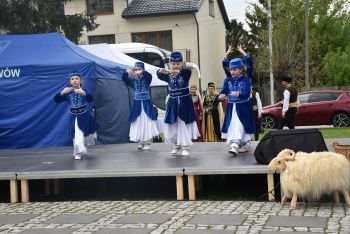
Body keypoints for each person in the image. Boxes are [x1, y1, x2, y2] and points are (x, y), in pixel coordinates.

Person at [157, 52, 200, 156]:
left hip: (184, 102)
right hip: (173, 103)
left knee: (183, 123)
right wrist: (160, 70)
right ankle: (176, 144)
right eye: (173, 64)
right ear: (170, 64)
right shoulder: (168, 75)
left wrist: (178, 72)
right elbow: (159, 75)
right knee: (174, 123)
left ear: (182, 64)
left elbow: (187, 72)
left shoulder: (185, 73)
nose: (175, 66)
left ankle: (185, 146)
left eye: (178, 64)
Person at [54, 73, 99, 160]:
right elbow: (57, 100)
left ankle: (83, 149)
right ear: (70, 81)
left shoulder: (84, 90)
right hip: (73, 117)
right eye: (72, 79)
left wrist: (83, 93)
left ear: (81, 81)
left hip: (84, 116)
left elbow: (90, 99)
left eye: (77, 79)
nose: (74, 80)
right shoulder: (68, 92)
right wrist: (62, 92)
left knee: (84, 134)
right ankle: (77, 152)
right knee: (76, 134)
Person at [219, 58, 256, 155]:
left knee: (240, 125)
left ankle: (235, 145)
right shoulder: (228, 80)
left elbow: (247, 94)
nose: (232, 72)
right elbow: (224, 91)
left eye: (234, 70)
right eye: (231, 70)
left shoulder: (246, 79)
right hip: (232, 108)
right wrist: (222, 96)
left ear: (241, 69)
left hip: (243, 107)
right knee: (233, 125)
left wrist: (239, 95)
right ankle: (242, 143)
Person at [122, 62, 159, 149]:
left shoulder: (146, 79)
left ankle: (147, 142)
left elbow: (149, 76)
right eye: (136, 69)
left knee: (146, 120)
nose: (137, 71)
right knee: (137, 121)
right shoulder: (133, 80)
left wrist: (142, 72)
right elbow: (124, 79)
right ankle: (141, 141)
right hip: (137, 103)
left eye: (139, 69)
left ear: (143, 70)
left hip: (146, 103)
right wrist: (126, 72)